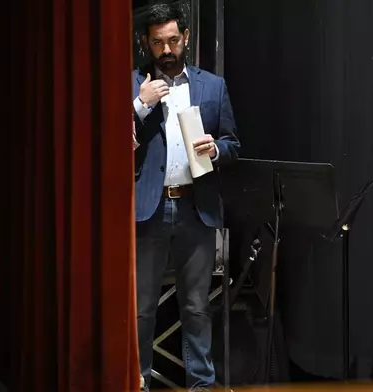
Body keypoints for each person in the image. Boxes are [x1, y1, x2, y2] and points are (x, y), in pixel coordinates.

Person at [132, 4, 240, 391]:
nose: (166, 50)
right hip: (148, 211)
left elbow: (233, 144)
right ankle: (138, 383)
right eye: (158, 42)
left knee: (196, 308)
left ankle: (200, 386)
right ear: (146, 42)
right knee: (142, 310)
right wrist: (141, 104)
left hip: (197, 209)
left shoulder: (212, 86)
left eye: (173, 41)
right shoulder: (132, 85)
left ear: (187, 39)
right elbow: (110, 145)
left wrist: (216, 150)